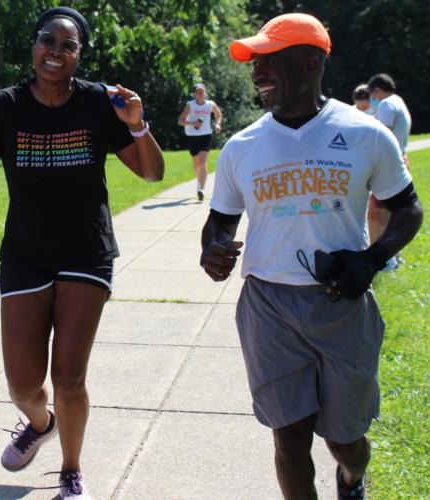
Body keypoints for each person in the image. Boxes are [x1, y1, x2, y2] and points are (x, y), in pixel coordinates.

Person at [200, 13, 422, 500]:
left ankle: (351, 477)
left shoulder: (365, 134)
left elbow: (408, 210)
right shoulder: (243, 146)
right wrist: (212, 248)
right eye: (253, 63)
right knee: (289, 438)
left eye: (267, 60)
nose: (256, 72)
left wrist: (372, 258)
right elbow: (221, 220)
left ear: (310, 62)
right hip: (268, 306)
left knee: (345, 439)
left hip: (341, 304)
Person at [0, 7, 164, 500]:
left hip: (86, 254)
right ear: (34, 45)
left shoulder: (97, 105)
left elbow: (151, 173)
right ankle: (39, 423)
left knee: (69, 376)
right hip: (24, 254)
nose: (56, 52)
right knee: (24, 388)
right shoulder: (6, 106)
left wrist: (136, 124)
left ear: (79, 56)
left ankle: (70, 470)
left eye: (69, 46)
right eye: (49, 41)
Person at [366, 73, 412, 268]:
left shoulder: (386, 105)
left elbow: (380, 136)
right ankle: (394, 256)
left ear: (377, 90)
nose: (372, 99)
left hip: (386, 163)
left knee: (377, 214)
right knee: (390, 212)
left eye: (372, 95)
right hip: (400, 158)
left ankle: (386, 260)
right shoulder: (398, 101)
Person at [178, 82, 222, 201]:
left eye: (202, 91)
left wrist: (217, 124)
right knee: (197, 165)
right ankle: (199, 183)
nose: (200, 94)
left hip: (206, 135)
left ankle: (201, 189)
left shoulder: (210, 104)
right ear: (194, 94)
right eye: (198, 92)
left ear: (205, 92)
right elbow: (181, 121)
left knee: (203, 162)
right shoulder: (190, 105)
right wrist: (193, 123)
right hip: (192, 136)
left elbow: (218, 115)